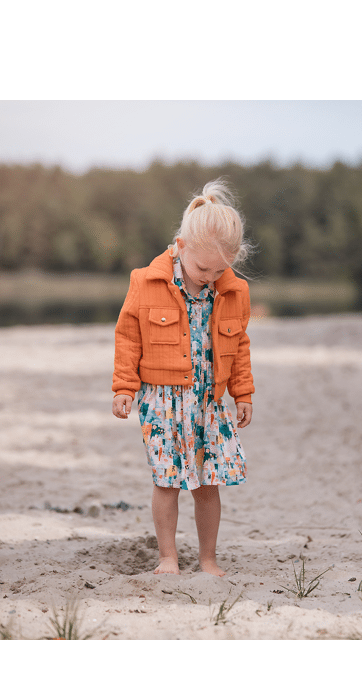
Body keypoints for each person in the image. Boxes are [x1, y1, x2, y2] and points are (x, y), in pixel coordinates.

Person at [112, 178, 255, 577]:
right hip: (162, 403)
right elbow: (128, 338)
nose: (210, 276)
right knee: (167, 483)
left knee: (208, 485)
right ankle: (167, 558)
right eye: (202, 268)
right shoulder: (146, 282)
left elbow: (239, 346)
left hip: (209, 404)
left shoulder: (234, 292)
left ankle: (208, 559)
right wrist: (124, 387)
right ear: (180, 246)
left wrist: (243, 393)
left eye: (220, 269)